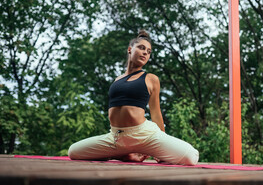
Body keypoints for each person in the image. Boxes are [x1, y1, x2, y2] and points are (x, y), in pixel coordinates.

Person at [68, 30, 199, 165]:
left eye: (148, 51)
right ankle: (124, 155)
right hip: (115, 137)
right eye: (141, 48)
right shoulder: (117, 80)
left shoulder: (150, 78)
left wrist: (161, 146)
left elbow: (156, 112)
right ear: (130, 50)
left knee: (191, 157)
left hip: (144, 136)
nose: (145, 53)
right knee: (74, 152)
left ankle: (126, 152)